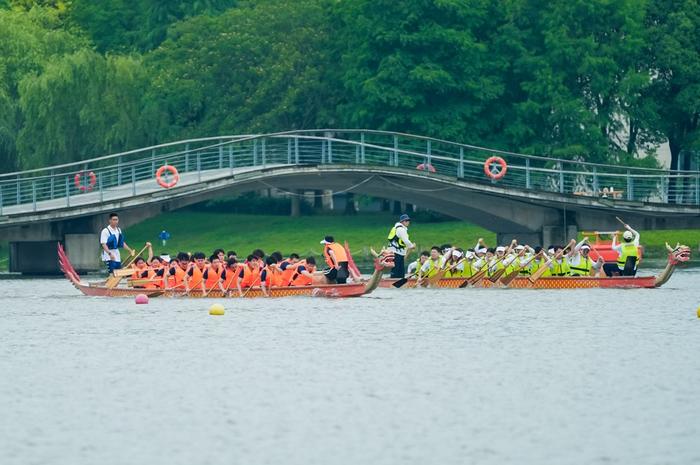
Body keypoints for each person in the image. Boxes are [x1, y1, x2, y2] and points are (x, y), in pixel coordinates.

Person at [387, 214, 415, 278]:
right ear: (402, 221)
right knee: (397, 271)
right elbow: (406, 241)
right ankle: (393, 282)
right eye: (406, 221)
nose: (408, 222)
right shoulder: (401, 229)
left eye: (408, 220)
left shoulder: (396, 228)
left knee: (398, 270)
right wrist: (412, 246)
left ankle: (397, 282)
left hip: (396, 252)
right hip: (396, 253)